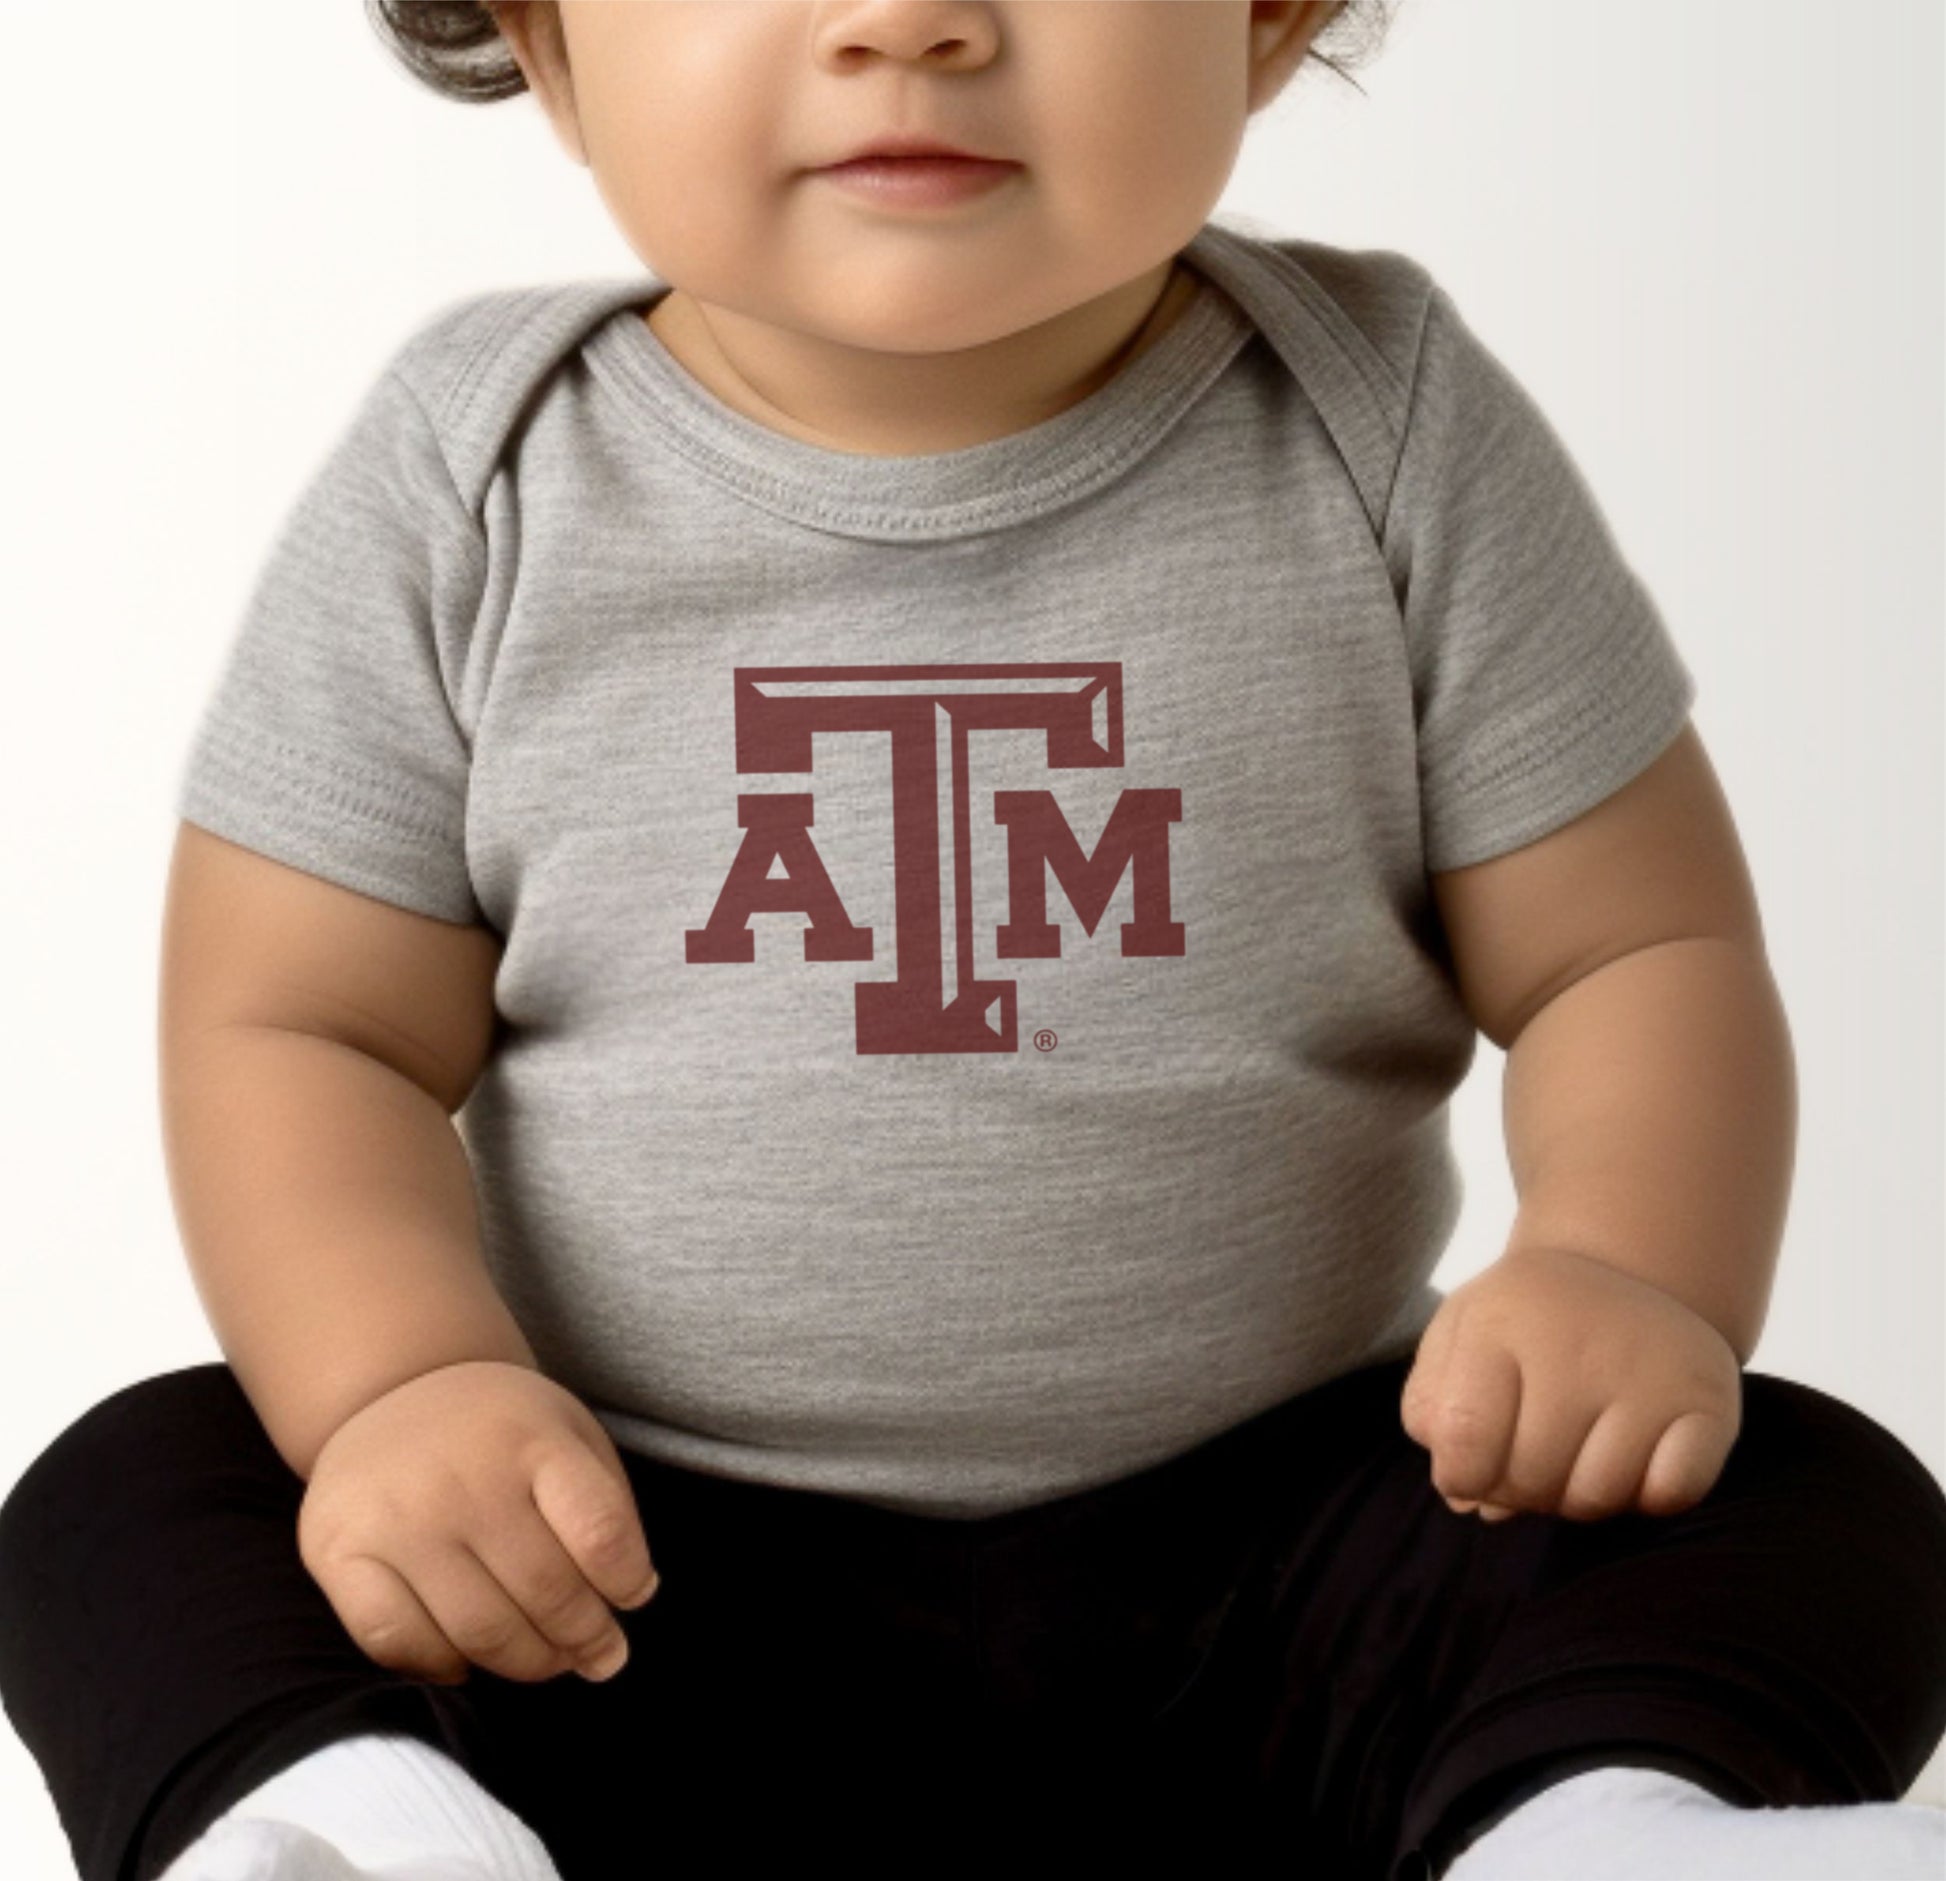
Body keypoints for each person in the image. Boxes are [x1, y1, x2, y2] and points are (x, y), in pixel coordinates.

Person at [2, 4, 1942, 1879]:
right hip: (621, 1593)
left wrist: (1617, 1260)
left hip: (1289, 1589)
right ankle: (379, 1837)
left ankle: (1593, 1822)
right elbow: (305, 1025)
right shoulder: (476, 473)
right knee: (140, 1493)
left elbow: (1626, 949)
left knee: (1814, 1494)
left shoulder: (1387, 429)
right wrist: (403, 1386)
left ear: (1267, 16)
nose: (909, 19)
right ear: (539, 36)